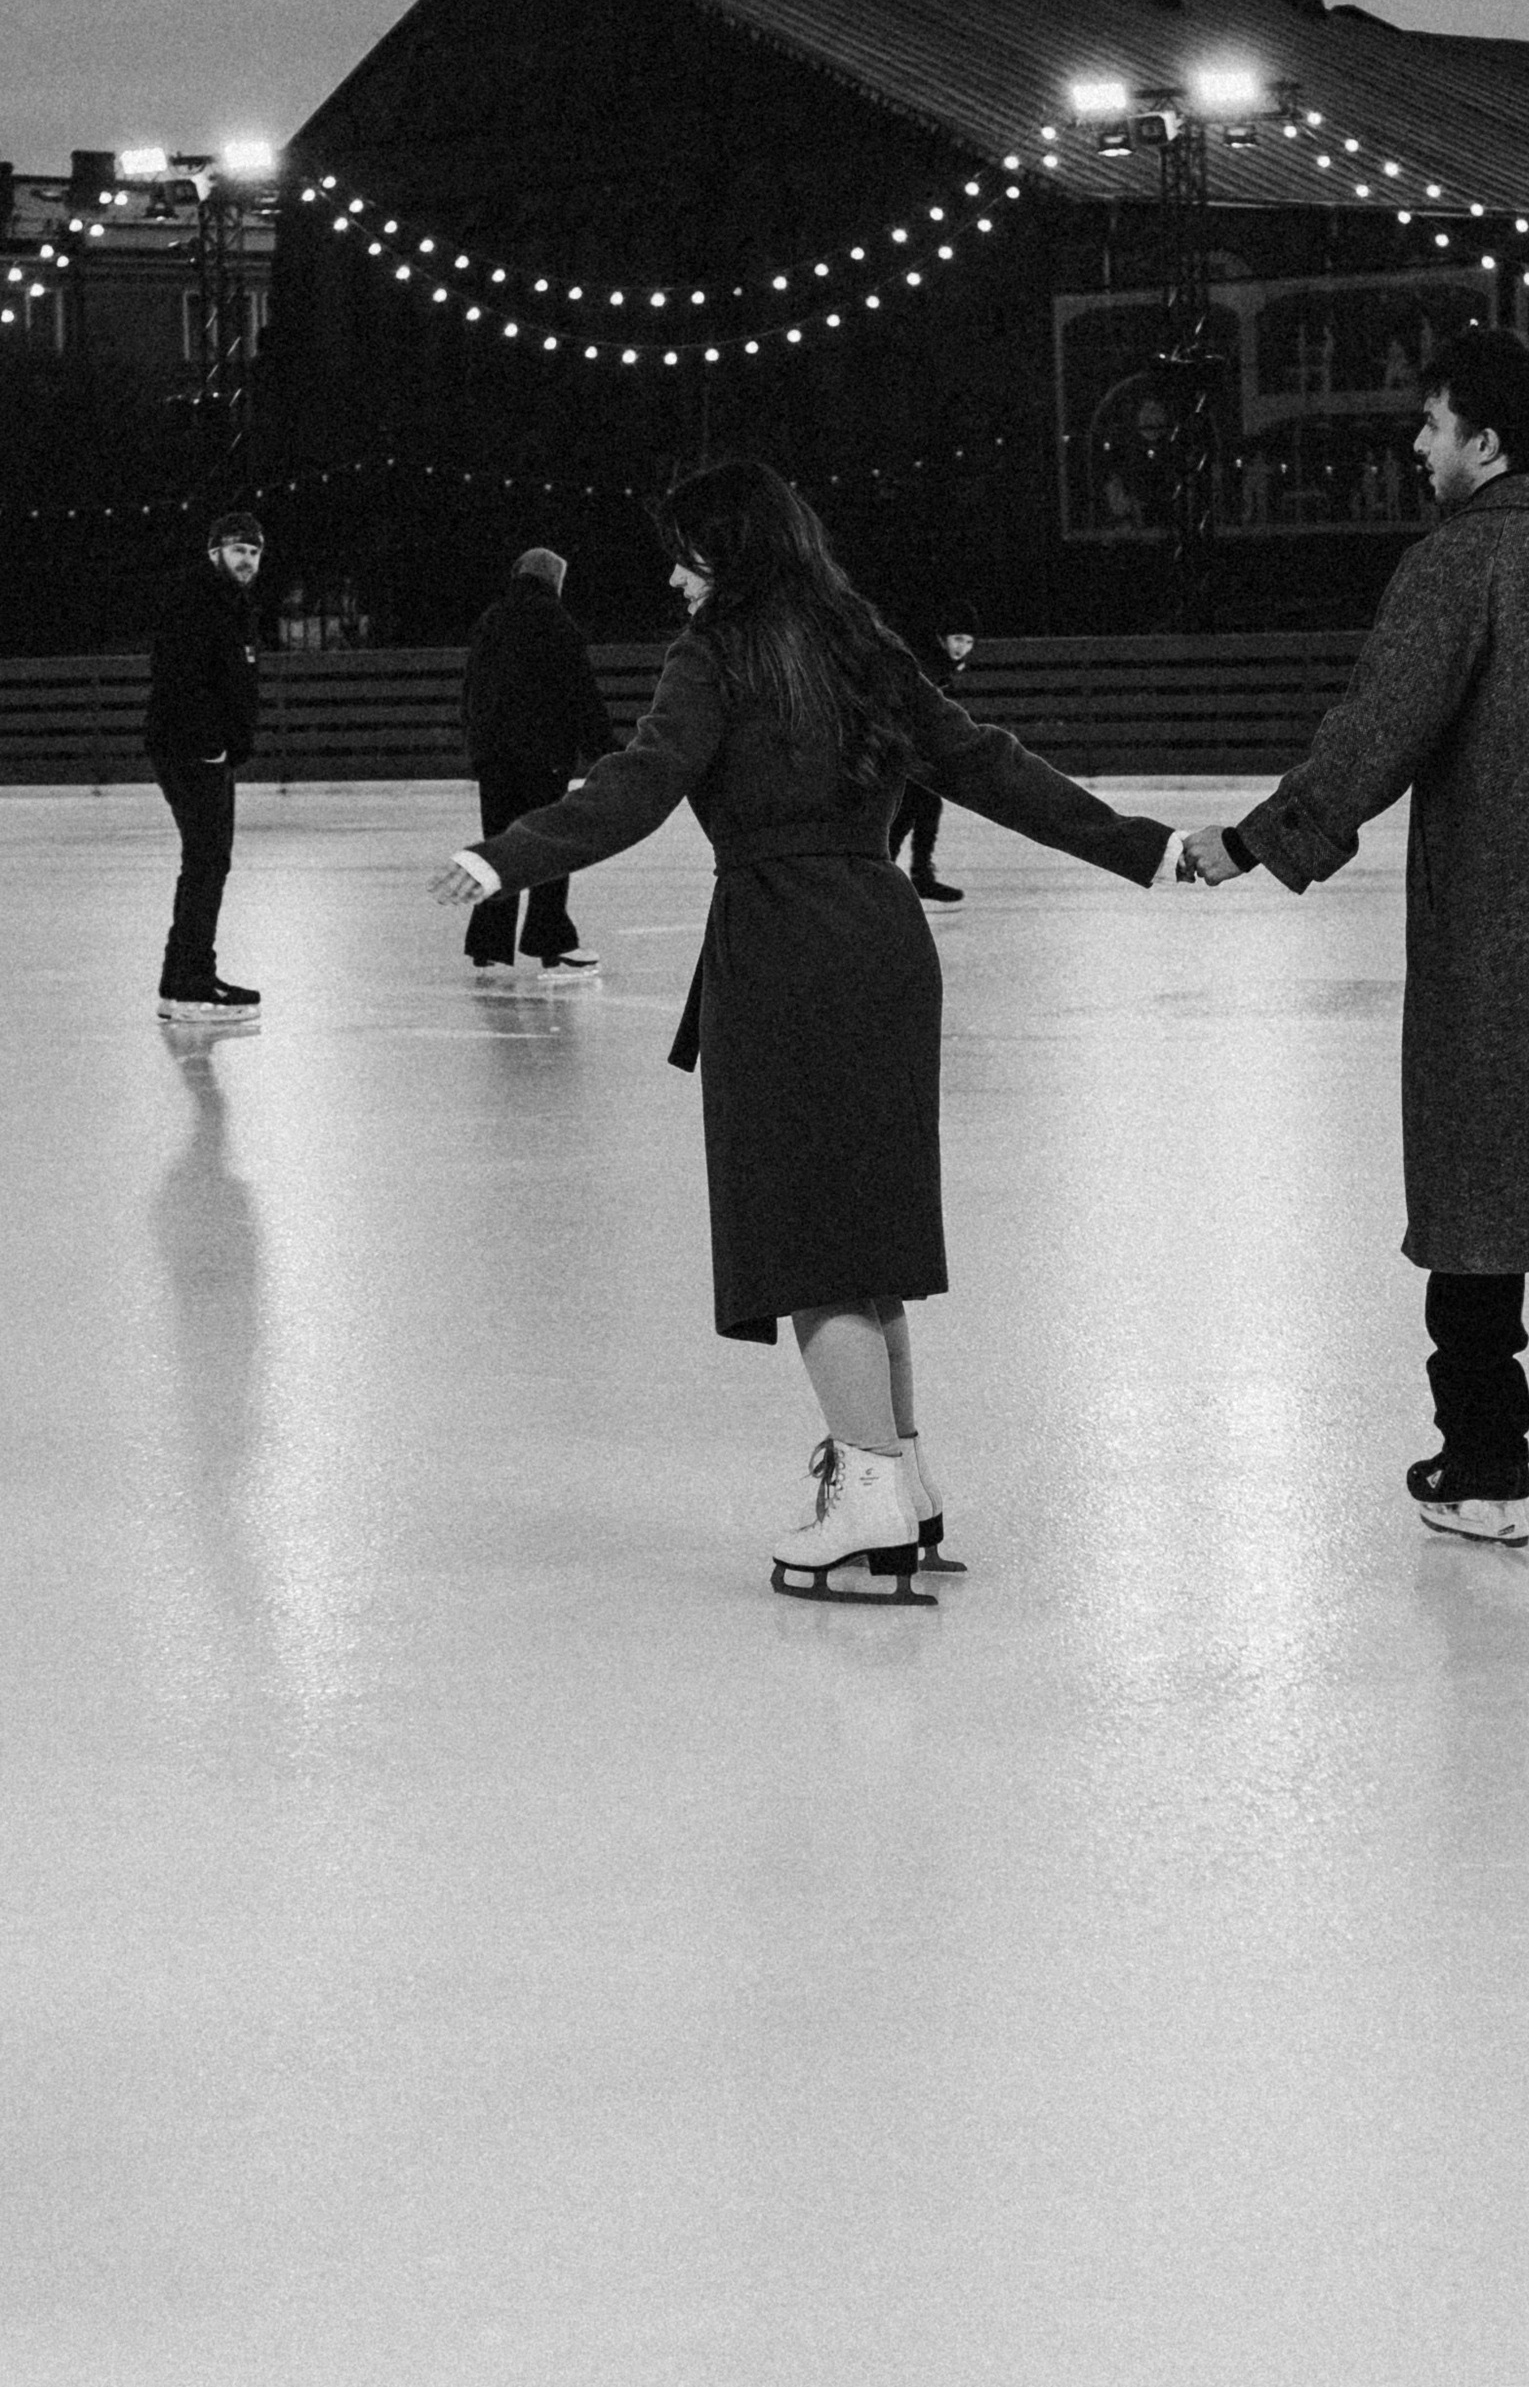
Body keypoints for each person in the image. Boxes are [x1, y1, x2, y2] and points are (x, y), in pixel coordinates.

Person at [431, 462, 1174, 1602]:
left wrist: (504, 858)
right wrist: (1142, 847)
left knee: (811, 1242)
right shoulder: (862, 644)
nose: (674, 579)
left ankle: (867, 1496)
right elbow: (987, 764)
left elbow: (640, 783)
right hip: (883, 943)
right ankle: (905, 1481)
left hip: (781, 950)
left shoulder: (717, 655)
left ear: (729, 554)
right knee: (867, 1237)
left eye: (686, 556)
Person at [1180, 326, 1529, 1554]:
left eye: (1431, 424)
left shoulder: (1457, 562)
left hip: (1499, 941)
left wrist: (1261, 839)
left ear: (1484, 442)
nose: (1415, 445)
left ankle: (1482, 1466)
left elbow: (1379, 729)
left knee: (1479, 1209)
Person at [458, 545, 618, 977]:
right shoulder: (557, 622)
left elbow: (472, 689)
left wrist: (479, 747)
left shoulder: (491, 619)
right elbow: (579, 692)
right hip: (543, 757)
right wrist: (605, 750)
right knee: (549, 844)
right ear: (554, 580)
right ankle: (550, 941)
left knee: (500, 843)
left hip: (495, 759)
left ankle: (487, 943)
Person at [144, 508, 266, 1026]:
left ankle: (188, 977)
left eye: (254, 552)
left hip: (204, 750)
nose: (247, 560)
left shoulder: (229, 602)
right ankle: (187, 984)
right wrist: (209, 744)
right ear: (215, 552)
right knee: (206, 862)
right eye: (239, 550)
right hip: (190, 749)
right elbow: (180, 675)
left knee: (208, 862)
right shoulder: (196, 599)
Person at [888, 594, 979, 903]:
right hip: (903, 747)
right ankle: (900, 875)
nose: (962, 647)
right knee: (911, 809)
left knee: (923, 807)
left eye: (968, 641)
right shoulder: (928, 666)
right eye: (957, 639)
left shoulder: (942, 664)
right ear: (942, 638)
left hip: (914, 748)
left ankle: (915, 875)